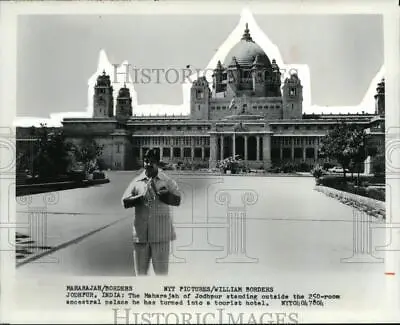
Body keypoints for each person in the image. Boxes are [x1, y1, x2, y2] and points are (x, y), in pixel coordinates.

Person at [121, 148, 181, 275]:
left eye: (152, 161)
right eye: (146, 161)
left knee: (161, 275)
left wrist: (164, 196)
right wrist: (140, 197)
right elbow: (125, 202)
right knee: (140, 275)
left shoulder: (167, 180)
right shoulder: (137, 181)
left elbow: (177, 200)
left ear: (158, 163)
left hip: (161, 236)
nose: (148, 164)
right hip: (141, 236)